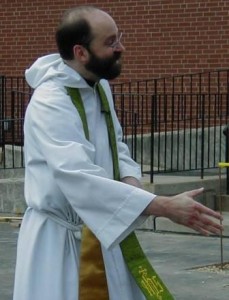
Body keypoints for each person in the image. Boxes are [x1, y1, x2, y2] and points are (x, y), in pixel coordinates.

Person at [13, 5, 223, 300]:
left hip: (103, 228)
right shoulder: (51, 101)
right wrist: (161, 205)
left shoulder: (98, 87)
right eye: (110, 42)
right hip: (61, 242)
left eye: (118, 37)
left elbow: (116, 146)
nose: (121, 48)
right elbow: (77, 176)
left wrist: (132, 185)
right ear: (81, 52)